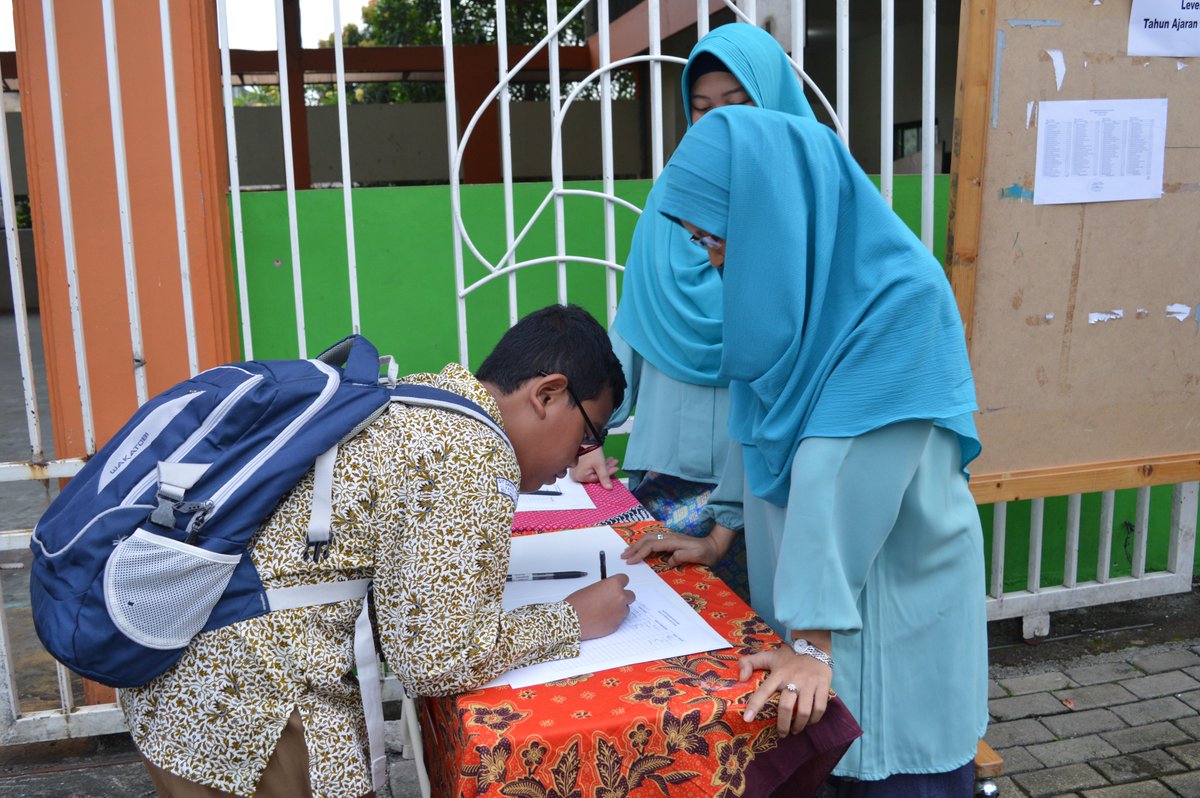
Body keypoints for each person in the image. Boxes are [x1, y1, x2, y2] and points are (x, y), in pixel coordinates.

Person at [120, 304, 636, 798]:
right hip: (255, 713)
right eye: (589, 434)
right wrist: (571, 618)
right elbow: (437, 659)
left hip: (194, 687)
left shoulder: (424, 400)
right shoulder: (472, 449)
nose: (578, 458)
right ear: (547, 394)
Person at [624, 106, 988, 796]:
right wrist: (719, 531)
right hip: (808, 616)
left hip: (886, 601)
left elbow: (838, 463)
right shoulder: (791, 290)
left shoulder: (899, 298)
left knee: (888, 764)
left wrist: (814, 642)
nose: (714, 257)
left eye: (720, 236)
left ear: (775, 212)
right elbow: (753, 405)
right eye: (702, 240)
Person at [572, 23, 816, 598]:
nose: (719, 123)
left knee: (754, 640)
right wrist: (589, 439)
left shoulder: (805, 211)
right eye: (702, 109)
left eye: (738, 105)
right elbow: (632, 325)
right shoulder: (669, 199)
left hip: (763, 481)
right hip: (662, 469)